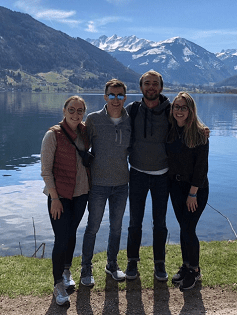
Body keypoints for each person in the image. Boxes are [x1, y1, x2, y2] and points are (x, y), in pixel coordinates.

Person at [80, 79, 131, 286]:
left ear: (125, 98)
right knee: (93, 226)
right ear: (105, 97)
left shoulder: (131, 120)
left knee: (116, 227)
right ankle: (86, 267)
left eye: (120, 95)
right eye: (112, 95)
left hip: (121, 184)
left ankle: (111, 264)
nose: (116, 99)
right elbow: (78, 140)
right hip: (98, 184)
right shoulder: (93, 120)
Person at [40, 96, 90, 306]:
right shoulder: (53, 135)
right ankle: (58, 283)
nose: (75, 114)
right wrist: (54, 198)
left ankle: (67, 270)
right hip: (59, 196)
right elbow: (45, 171)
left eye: (80, 111)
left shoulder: (85, 132)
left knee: (71, 234)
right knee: (61, 237)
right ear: (64, 110)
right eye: (72, 109)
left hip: (81, 193)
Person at [125, 70, 172, 281]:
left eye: (154, 84)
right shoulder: (132, 110)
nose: (151, 87)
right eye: (146, 83)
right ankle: (132, 262)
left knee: (160, 223)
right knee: (135, 222)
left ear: (161, 87)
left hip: (163, 175)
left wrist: (203, 130)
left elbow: (188, 125)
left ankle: (159, 263)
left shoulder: (171, 110)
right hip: (137, 173)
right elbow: (112, 122)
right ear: (141, 87)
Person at [166, 92, 209, 290]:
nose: (179, 111)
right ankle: (185, 266)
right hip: (175, 187)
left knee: (189, 229)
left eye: (183, 107)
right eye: (176, 107)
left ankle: (195, 271)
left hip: (195, 190)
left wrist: (193, 193)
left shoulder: (200, 134)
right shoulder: (171, 131)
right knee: (184, 228)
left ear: (190, 110)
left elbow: (201, 168)